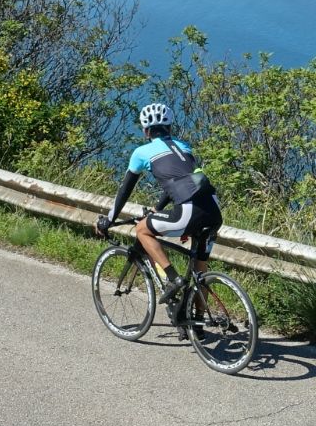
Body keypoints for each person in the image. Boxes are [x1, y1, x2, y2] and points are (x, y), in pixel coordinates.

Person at [95, 103, 222, 317]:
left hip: (189, 210)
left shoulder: (141, 152)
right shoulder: (184, 147)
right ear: (169, 128)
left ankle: (173, 278)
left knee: (143, 230)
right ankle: (198, 323)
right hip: (213, 208)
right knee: (201, 268)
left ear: (146, 131)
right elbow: (182, 181)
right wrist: (158, 208)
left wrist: (109, 219)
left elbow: (125, 190)